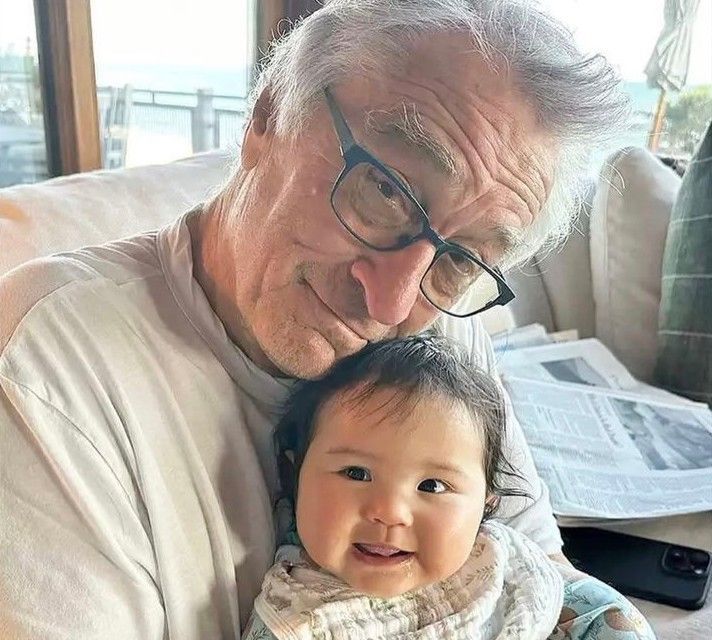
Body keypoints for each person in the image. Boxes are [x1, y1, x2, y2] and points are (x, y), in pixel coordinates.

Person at [0, 1, 630, 638]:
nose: (390, 304)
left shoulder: (436, 331)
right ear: (270, 114)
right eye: (387, 192)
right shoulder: (52, 361)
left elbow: (536, 570)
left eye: (462, 259)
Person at [243, 334, 654, 640]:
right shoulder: (295, 614)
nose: (389, 511)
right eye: (356, 473)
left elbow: (604, 616)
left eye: (432, 485)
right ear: (296, 475)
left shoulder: (495, 560)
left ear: (485, 505)